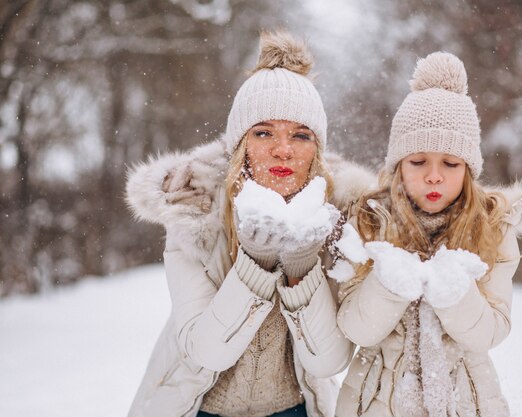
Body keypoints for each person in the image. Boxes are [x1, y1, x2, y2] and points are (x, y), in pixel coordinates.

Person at [125, 31, 374, 417]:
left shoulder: (339, 221)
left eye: (300, 135)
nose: (283, 149)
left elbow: (328, 362)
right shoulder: (195, 214)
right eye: (264, 132)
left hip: (295, 408)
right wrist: (255, 263)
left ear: (317, 149)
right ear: (240, 144)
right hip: (199, 407)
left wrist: (301, 267)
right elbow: (208, 351)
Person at [332, 52, 522, 417]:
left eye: (450, 163)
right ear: (398, 166)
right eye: (418, 161)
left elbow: (492, 331)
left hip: (466, 404)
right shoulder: (369, 222)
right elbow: (355, 329)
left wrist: (456, 295)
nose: (434, 176)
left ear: (469, 169)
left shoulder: (492, 229)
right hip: (374, 402)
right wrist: (388, 285)